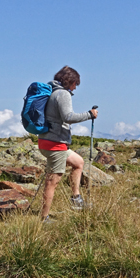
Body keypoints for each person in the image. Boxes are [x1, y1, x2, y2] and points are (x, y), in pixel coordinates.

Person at [38, 66, 98, 222]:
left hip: (47, 140)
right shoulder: (63, 94)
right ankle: (44, 218)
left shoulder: (51, 91)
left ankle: (76, 199)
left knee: (78, 162)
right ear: (69, 81)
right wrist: (89, 115)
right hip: (55, 144)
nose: (75, 87)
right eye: (75, 83)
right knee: (53, 181)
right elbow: (68, 117)